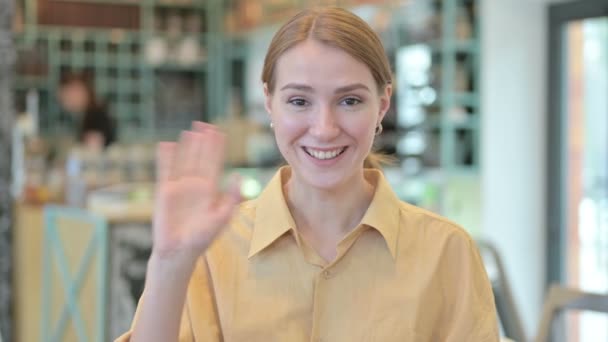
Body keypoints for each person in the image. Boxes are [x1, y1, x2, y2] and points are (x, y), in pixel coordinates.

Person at [118, 7, 499, 342]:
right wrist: (169, 262)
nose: (324, 128)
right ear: (269, 102)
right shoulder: (212, 248)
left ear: (382, 105)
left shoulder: (447, 252)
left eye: (350, 100)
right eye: (299, 101)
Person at [58, 72, 117, 148]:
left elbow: (92, 150)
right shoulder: (90, 113)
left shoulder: (95, 116)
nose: (65, 104)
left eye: (66, 98)